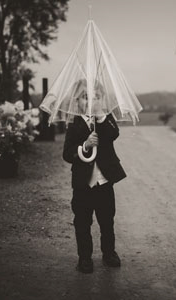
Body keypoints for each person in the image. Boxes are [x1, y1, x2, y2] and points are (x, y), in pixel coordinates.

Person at [62, 79, 126, 274]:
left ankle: (109, 253)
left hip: (104, 181)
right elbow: (67, 153)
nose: (91, 101)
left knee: (107, 219)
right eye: (86, 97)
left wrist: (100, 116)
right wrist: (85, 146)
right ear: (77, 101)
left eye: (96, 97)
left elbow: (114, 134)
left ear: (102, 99)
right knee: (82, 221)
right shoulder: (74, 123)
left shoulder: (105, 119)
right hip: (82, 184)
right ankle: (85, 257)